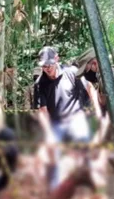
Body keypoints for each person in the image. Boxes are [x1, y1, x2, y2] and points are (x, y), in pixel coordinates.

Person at [35, 47, 102, 189]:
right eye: (44, 66)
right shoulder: (40, 84)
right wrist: (49, 134)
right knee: (51, 152)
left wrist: (98, 111)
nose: (47, 69)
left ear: (57, 59)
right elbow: (43, 111)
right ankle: (54, 189)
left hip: (76, 118)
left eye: (49, 65)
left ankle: (89, 183)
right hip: (56, 123)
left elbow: (90, 88)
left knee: (84, 147)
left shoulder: (71, 73)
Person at [76, 49, 114, 126]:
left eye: (86, 70)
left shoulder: (109, 77)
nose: (86, 75)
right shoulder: (102, 79)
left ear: (95, 63)